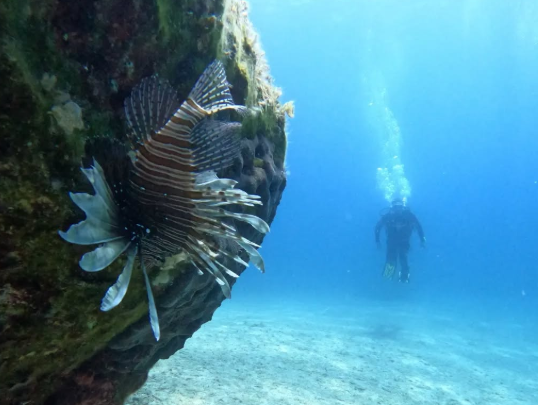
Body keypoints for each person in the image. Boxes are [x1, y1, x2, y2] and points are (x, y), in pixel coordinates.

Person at [375, 198, 426, 283]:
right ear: (392, 208)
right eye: (396, 207)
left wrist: (422, 239)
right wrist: (377, 240)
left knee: (403, 257)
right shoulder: (388, 216)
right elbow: (378, 227)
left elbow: (418, 226)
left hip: (404, 240)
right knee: (391, 258)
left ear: (403, 207)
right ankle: (388, 278)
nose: (398, 209)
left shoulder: (409, 215)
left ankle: (404, 277)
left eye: (400, 207)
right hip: (392, 241)